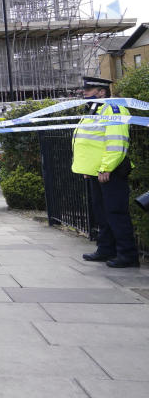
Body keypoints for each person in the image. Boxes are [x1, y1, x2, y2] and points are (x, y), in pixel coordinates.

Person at [73, 76, 138, 268]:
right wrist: (89, 170)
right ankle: (106, 249)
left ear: (102, 92)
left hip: (110, 171)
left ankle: (127, 255)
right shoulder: (94, 110)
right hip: (96, 172)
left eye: (89, 89)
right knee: (102, 213)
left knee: (116, 212)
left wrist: (106, 168)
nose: (84, 93)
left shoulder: (114, 109)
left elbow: (116, 142)